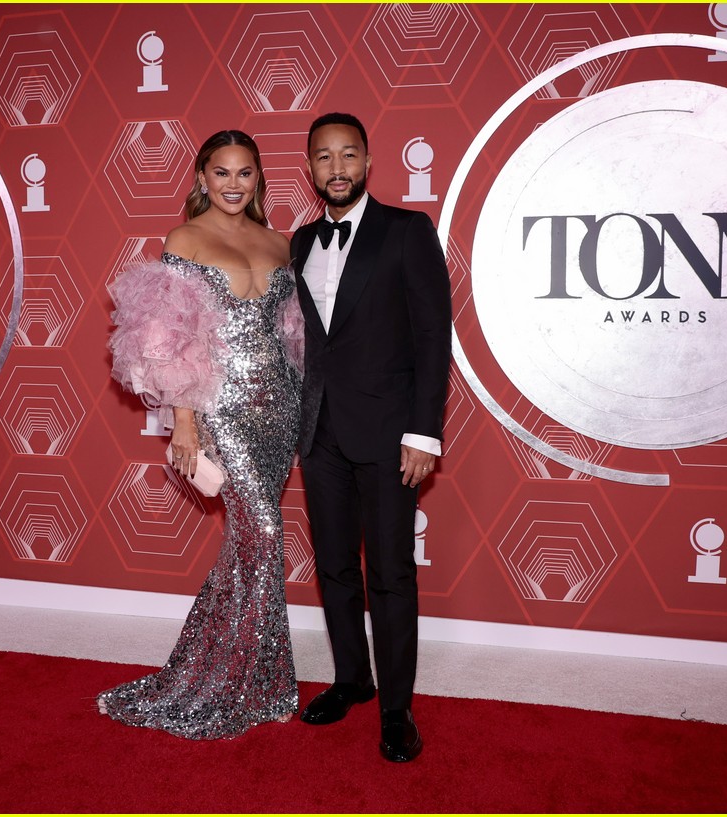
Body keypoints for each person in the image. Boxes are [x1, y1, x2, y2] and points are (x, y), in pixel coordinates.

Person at [98, 130, 305, 739]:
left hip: (281, 404)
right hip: (223, 405)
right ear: (201, 178)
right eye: (222, 173)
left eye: (245, 173)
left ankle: (248, 673)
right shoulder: (184, 239)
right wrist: (184, 419)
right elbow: (170, 336)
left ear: (259, 179)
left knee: (247, 542)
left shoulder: (279, 243)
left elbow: (292, 335)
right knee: (265, 534)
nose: (234, 184)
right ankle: (241, 678)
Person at [290, 112, 452, 762]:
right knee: (333, 567)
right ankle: (352, 679)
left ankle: (396, 707)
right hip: (319, 432)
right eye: (324, 158)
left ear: (368, 162)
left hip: (390, 433)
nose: (337, 168)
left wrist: (425, 433)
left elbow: (432, 337)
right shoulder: (298, 243)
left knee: (389, 573)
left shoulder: (407, 232)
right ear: (310, 169)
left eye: (348, 155)